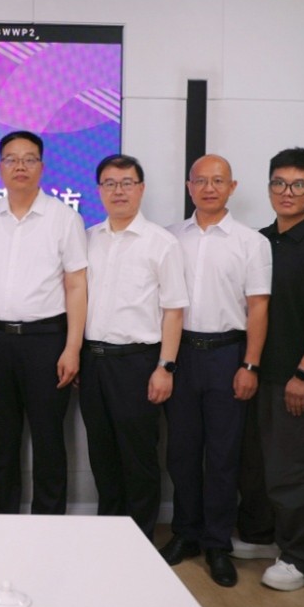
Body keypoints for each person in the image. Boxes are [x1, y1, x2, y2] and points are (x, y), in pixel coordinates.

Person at [235, 147, 304, 592]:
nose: (287, 192)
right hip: (256, 372)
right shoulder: (258, 240)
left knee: (295, 469)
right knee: (257, 464)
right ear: (268, 187)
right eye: (279, 183)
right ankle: (262, 535)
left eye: (298, 185)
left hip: (297, 377)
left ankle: (303, 558)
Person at [161, 155, 271, 587]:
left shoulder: (250, 242)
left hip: (228, 354)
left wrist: (250, 364)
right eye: (201, 181)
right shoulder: (171, 237)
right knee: (182, 452)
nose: (209, 188)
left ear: (232, 186)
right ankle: (185, 534)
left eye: (218, 181)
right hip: (181, 354)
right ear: (189, 186)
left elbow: (258, 307)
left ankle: (217, 543)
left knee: (224, 456)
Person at [0, 130, 87, 515]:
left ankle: (48, 527)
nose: (20, 166)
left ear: (42, 166)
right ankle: (3, 524)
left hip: (47, 341)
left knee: (49, 439)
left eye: (29, 159)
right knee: (1, 440)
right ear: (0, 166)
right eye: (11, 159)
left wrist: (73, 348)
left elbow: (76, 285)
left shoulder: (64, 218)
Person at [79, 153, 186, 542]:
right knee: (102, 454)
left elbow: (174, 310)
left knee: (139, 456)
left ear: (141, 189)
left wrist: (165, 366)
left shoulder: (162, 243)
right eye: (110, 183)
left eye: (127, 183)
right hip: (93, 361)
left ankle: (139, 538)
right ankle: (109, 535)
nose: (118, 191)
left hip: (138, 363)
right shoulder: (87, 239)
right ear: (99, 191)